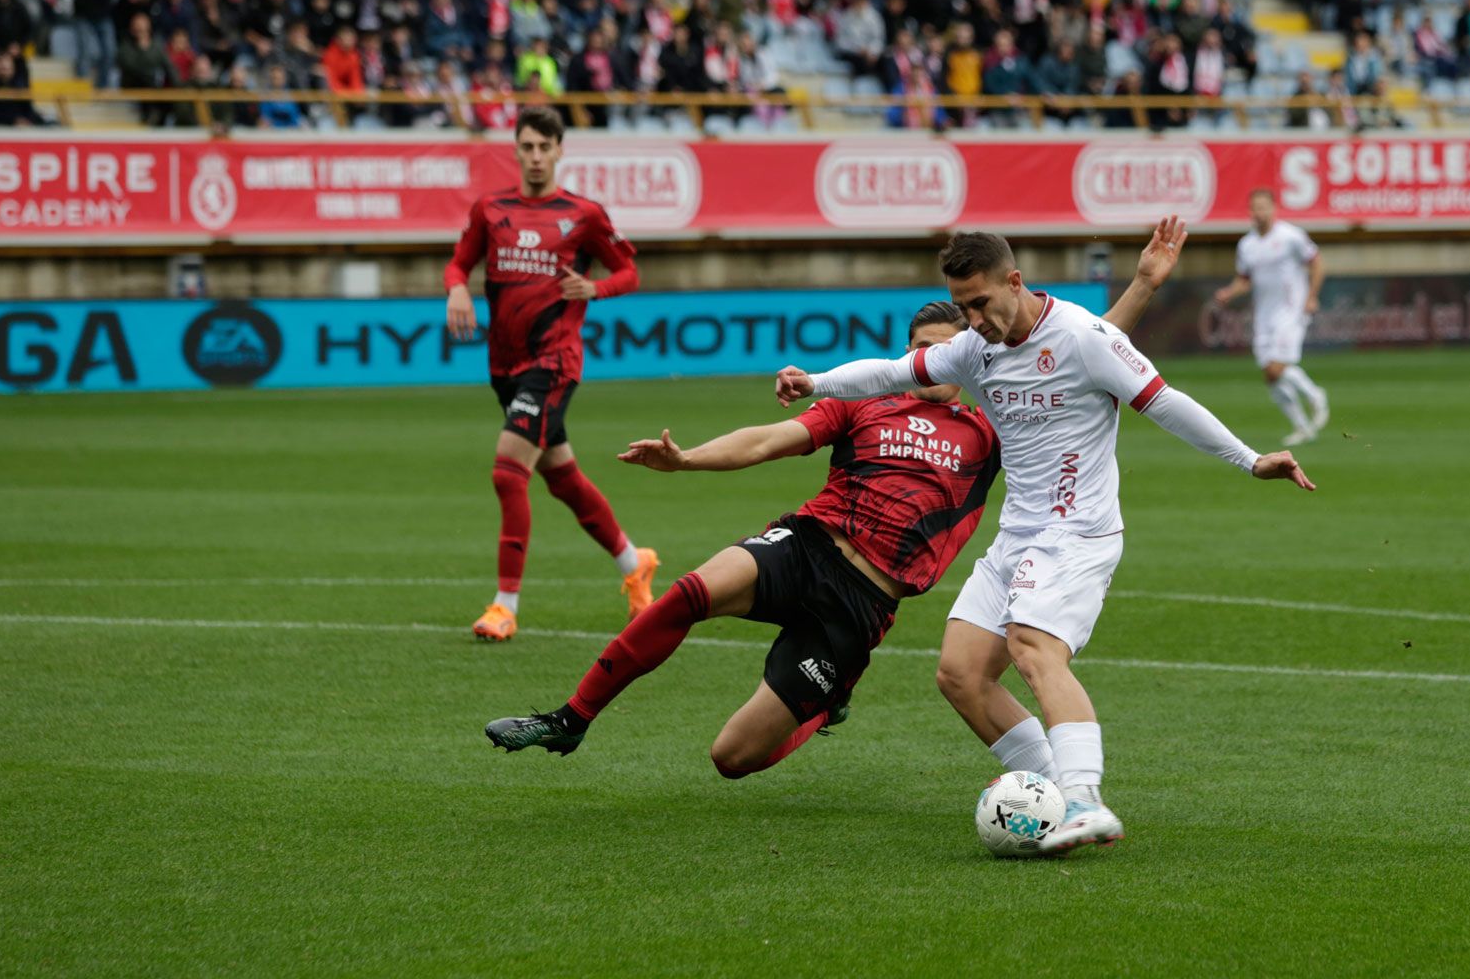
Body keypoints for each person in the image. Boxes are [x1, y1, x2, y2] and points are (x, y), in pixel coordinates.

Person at [484, 222, 1191, 778]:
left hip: (864, 604)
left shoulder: (995, 426)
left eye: (949, 344)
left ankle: (823, 707)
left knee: (733, 758)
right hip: (809, 545)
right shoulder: (868, 406)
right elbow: (767, 439)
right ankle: (570, 719)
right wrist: (687, 459)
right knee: (691, 592)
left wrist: (1143, 286)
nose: (934, 361)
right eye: (921, 348)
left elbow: (1078, 355)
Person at [774, 223, 1315, 853]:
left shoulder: (1086, 337)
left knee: (1032, 646)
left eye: (981, 303)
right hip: (1019, 536)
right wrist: (815, 381)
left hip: (1078, 533)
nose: (974, 319)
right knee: (961, 673)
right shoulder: (975, 348)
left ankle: (1086, 801)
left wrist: (1249, 460)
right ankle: (1056, 789)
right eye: (964, 306)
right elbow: (890, 372)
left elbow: (1166, 402)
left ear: (1015, 282)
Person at [443, 105, 661, 641]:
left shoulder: (583, 214)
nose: (536, 156)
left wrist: (596, 289)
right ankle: (635, 563)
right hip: (504, 365)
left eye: (545, 147)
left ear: (560, 150)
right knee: (562, 480)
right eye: (527, 147)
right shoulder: (490, 209)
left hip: (554, 361)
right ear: (515, 150)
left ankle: (504, 605)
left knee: (506, 472)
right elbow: (458, 262)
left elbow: (629, 271)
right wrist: (454, 287)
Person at [1214, 190, 1329, 445]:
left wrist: (1311, 296)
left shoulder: (1291, 236)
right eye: (1255, 208)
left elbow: (1317, 262)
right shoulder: (1247, 245)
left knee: (1277, 367)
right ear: (1250, 212)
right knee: (1270, 374)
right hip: (1264, 315)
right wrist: (1229, 292)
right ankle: (1302, 426)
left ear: (1274, 208)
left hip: (1291, 310)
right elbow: (1245, 280)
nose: (1259, 212)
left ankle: (1315, 395)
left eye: (1264, 207)